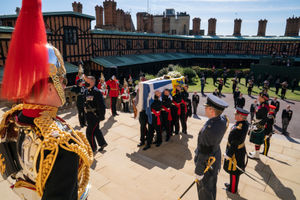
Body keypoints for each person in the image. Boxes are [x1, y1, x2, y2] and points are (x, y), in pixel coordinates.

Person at [0, 1, 93, 198]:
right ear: (51, 85)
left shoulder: (12, 119)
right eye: (62, 80)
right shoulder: (60, 144)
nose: (65, 85)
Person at [194, 94, 229, 200]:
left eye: (206, 107)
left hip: (207, 164)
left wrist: (199, 171)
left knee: (204, 191)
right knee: (211, 188)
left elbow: (204, 151)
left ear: (212, 110)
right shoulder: (222, 120)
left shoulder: (209, 129)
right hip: (215, 157)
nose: (204, 109)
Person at [224, 108, 249, 194]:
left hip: (235, 152)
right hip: (237, 150)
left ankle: (233, 189)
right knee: (232, 171)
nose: (234, 115)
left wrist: (229, 154)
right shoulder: (242, 123)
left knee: (234, 171)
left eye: (236, 114)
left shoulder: (239, 128)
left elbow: (235, 143)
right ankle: (231, 185)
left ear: (241, 117)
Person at [84, 76, 108, 152]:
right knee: (96, 130)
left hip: (95, 116)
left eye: (88, 81)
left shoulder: (96, 92)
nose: (86, 83)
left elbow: (102, 105)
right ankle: (102, 143)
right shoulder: (86, 91)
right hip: (89, 115)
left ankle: (93, 148)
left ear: (93, 82)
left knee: (89, 133)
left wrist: (101, 116)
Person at [248, 92, 269, 159]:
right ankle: (256, 152)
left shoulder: (264, 107)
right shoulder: (262, 104)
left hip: (259, 125)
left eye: (260, 97)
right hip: (257, 123)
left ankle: (257, 155)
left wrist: (256, 126)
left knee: (257, 141)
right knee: (256, 141)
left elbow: (264, 119)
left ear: (263, 98)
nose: (258, 97)